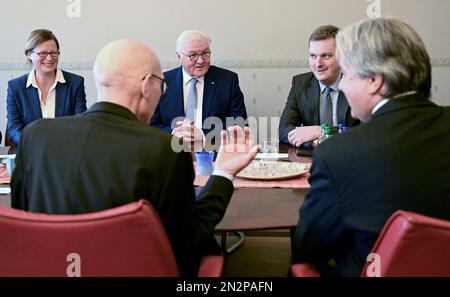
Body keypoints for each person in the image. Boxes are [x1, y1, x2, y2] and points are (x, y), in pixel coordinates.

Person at [11, 38, 258, 277]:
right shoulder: (164, 151)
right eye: (161, 86)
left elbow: (23, 224)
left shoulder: (35, 137)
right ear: (146, 86)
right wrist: (224, 172)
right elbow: (188, 240)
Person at [292, 17, 450, 277]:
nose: (341, 84)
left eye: (348, 74)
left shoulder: (337, 154)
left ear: (375, 80)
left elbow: (308, 249)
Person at [150, 29, 247, 148]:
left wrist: (203, 135)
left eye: (205, 53)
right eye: (193, 55)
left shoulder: (227, 80)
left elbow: (239, 123)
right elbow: (150, 125)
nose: (201, 60)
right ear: (179, 56)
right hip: (171, 152)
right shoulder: (162, 82)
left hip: (213, 152)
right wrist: (173, 133)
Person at [279, 25, 358, 149]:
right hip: (313, 160)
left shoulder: (356, 83)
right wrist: (313, 143)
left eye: (326, 56)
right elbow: (284, 130)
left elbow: (366, 130)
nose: (318, 64)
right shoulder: (300, 83)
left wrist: (321, 131)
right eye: (313, 56)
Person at [6, 29, 87, 146]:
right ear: (29, 54)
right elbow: (14, 129)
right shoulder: (16, 87)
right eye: (43, 53)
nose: (49, 58)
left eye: (54, 53)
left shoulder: (75, 83)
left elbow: (80, 125)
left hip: (66, 153)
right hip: (31, 154)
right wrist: (35, 144)